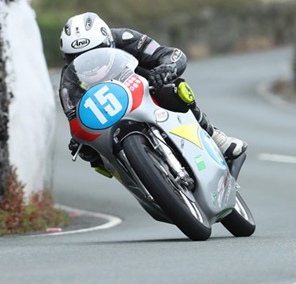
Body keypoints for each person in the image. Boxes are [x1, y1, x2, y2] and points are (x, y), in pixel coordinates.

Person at [58, 12, 247, 178]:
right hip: (108, 116)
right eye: (77, 57)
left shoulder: (125, 37)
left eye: (95, 52)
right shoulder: (68, 81)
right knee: (90, 155)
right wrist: (81, 142)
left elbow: (169, 54)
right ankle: (138, 179)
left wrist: (166, 69)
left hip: (145, 87)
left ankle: (215, 137)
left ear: (109, 42)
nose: (90, 62)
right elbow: (74, 119)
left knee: (175, 88)